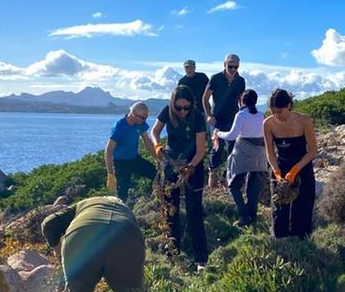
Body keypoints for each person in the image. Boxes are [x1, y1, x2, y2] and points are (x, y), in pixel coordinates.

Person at [151, 85, 209, 264]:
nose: (183, 111)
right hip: (171, 162)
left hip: (194, 163)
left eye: (186, 107)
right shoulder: (166, 112)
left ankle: (200, 258)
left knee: (194, 211)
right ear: (172, 105)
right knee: (170, 209)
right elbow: (154, 132)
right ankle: (172, 254)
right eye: (178, 108)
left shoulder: (198, 117)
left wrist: (190, 167)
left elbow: (201, 150)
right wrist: (157, 146)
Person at [263, 89, 317, 239]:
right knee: (279, 207)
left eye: (280, 111)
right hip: (280, 164)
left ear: (289, 105)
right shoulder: (268, 123)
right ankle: (281, 240)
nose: (277, 116)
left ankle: (302, 242)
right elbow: (270, 153)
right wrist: (277, 172)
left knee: (303, 206)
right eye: (273, 112)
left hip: (302, 164)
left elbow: (313, 151)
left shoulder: (304, 121)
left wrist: (295, 170)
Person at [213, 89, 268, 227]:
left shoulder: (241, 115)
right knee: (254, 187)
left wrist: (218, 133)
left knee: (233, 185)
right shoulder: (262, 115)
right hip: (260, 152)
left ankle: (243, 215)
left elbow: (232, 136)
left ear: (241, 100)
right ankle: (252, 216)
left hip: (242, 151)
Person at [203, 53, 246, 187]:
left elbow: (241, 99)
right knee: (217, 146)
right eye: (230, 66)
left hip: (233, 118)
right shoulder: (215, 78)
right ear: (224, 64)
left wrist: (243, 114)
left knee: (233, 148)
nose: (233, 69)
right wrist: (209, 115)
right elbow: (205, 98)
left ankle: (227, 174)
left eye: (235, 66)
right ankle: (213, 172)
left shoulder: (240, 81)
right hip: (217, 119)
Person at [105, 102, 157, 202]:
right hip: (121, 163)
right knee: (122, 195)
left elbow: (147, 142)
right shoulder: (120, 127)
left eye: (146, 118)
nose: (144, 121)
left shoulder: (140, 124)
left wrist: (157, 158)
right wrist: (110, 174)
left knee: (156, 174)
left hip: (134, 159)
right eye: (143, 118)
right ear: (133, 114)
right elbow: (108, 151)